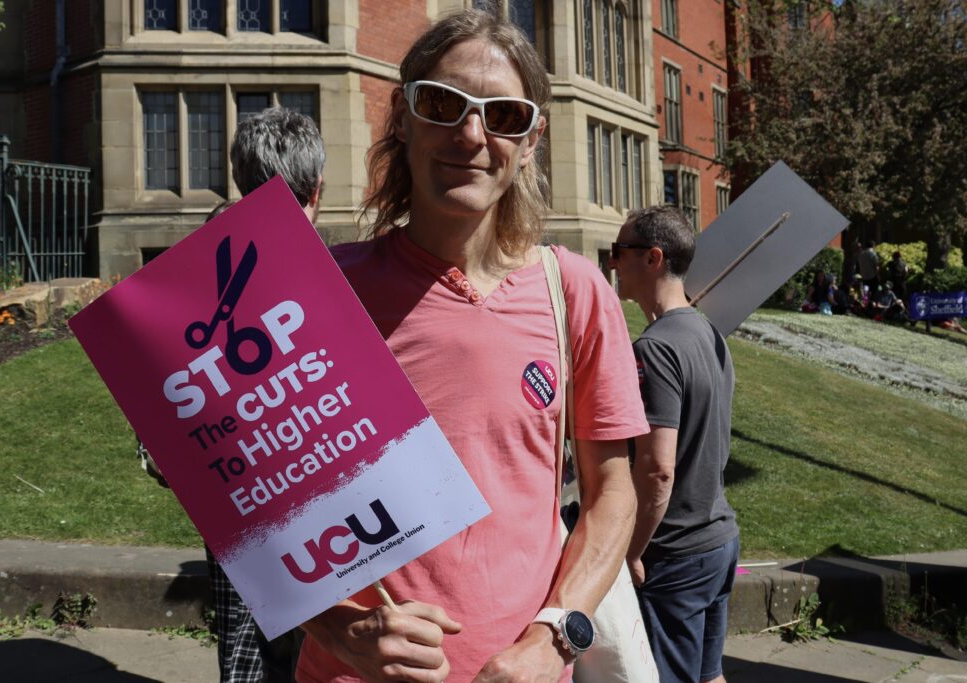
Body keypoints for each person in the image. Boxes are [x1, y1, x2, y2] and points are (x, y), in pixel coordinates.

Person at [295, 9, 649, 682]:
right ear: (401, 115)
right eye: (442, 103)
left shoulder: (572, 290)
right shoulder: (325, 291)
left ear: (533, 137)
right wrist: (340, 629)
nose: (471, 135)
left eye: (504, 116)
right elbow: (259, 513)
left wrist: (554, 640)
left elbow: (613, 495)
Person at [216, 105, 325, 683]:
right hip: (340, 511)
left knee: (247, 657)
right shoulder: (345, 280)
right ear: (319, 190)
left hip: (238, 503)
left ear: (239, 178)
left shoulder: (195, 281)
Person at [612, 206, 740, 683]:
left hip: (674, 554)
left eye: (619, 251)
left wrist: (630, 552)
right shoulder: (708, 332)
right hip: (719, 540)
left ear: (653, 259)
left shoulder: (656, 348)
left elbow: (657, 470)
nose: (613, 263)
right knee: (709, 676)